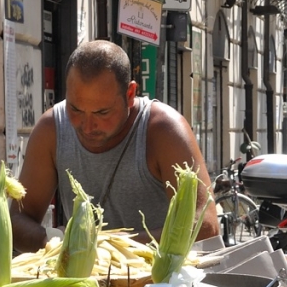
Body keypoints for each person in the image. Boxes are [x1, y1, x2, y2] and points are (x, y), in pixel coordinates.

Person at [11, 39, 218, 252]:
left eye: (102, 113)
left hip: (160, 284)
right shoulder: (52, 128)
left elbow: (206, 227)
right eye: (75, 109)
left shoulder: (164, 130)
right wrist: (54, 241)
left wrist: (110, 246)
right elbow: (17, 220)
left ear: (129, 95)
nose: (88, 126)